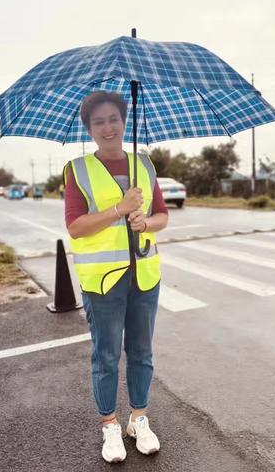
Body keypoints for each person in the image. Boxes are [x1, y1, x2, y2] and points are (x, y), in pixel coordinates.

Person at [64, 91, 168, 463]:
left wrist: (145, 221)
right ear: (89, 128)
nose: (108, 127)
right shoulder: (77, 170)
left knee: (142, 352)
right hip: (103, 280)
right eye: (99, 122)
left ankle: (138, 418)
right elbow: (75, 227)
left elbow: (162, 216)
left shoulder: (145, 164)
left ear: (125, 122)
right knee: (106, 355)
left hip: (144, 275)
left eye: (113, 119)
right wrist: (119, 209)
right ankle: (109, 424)